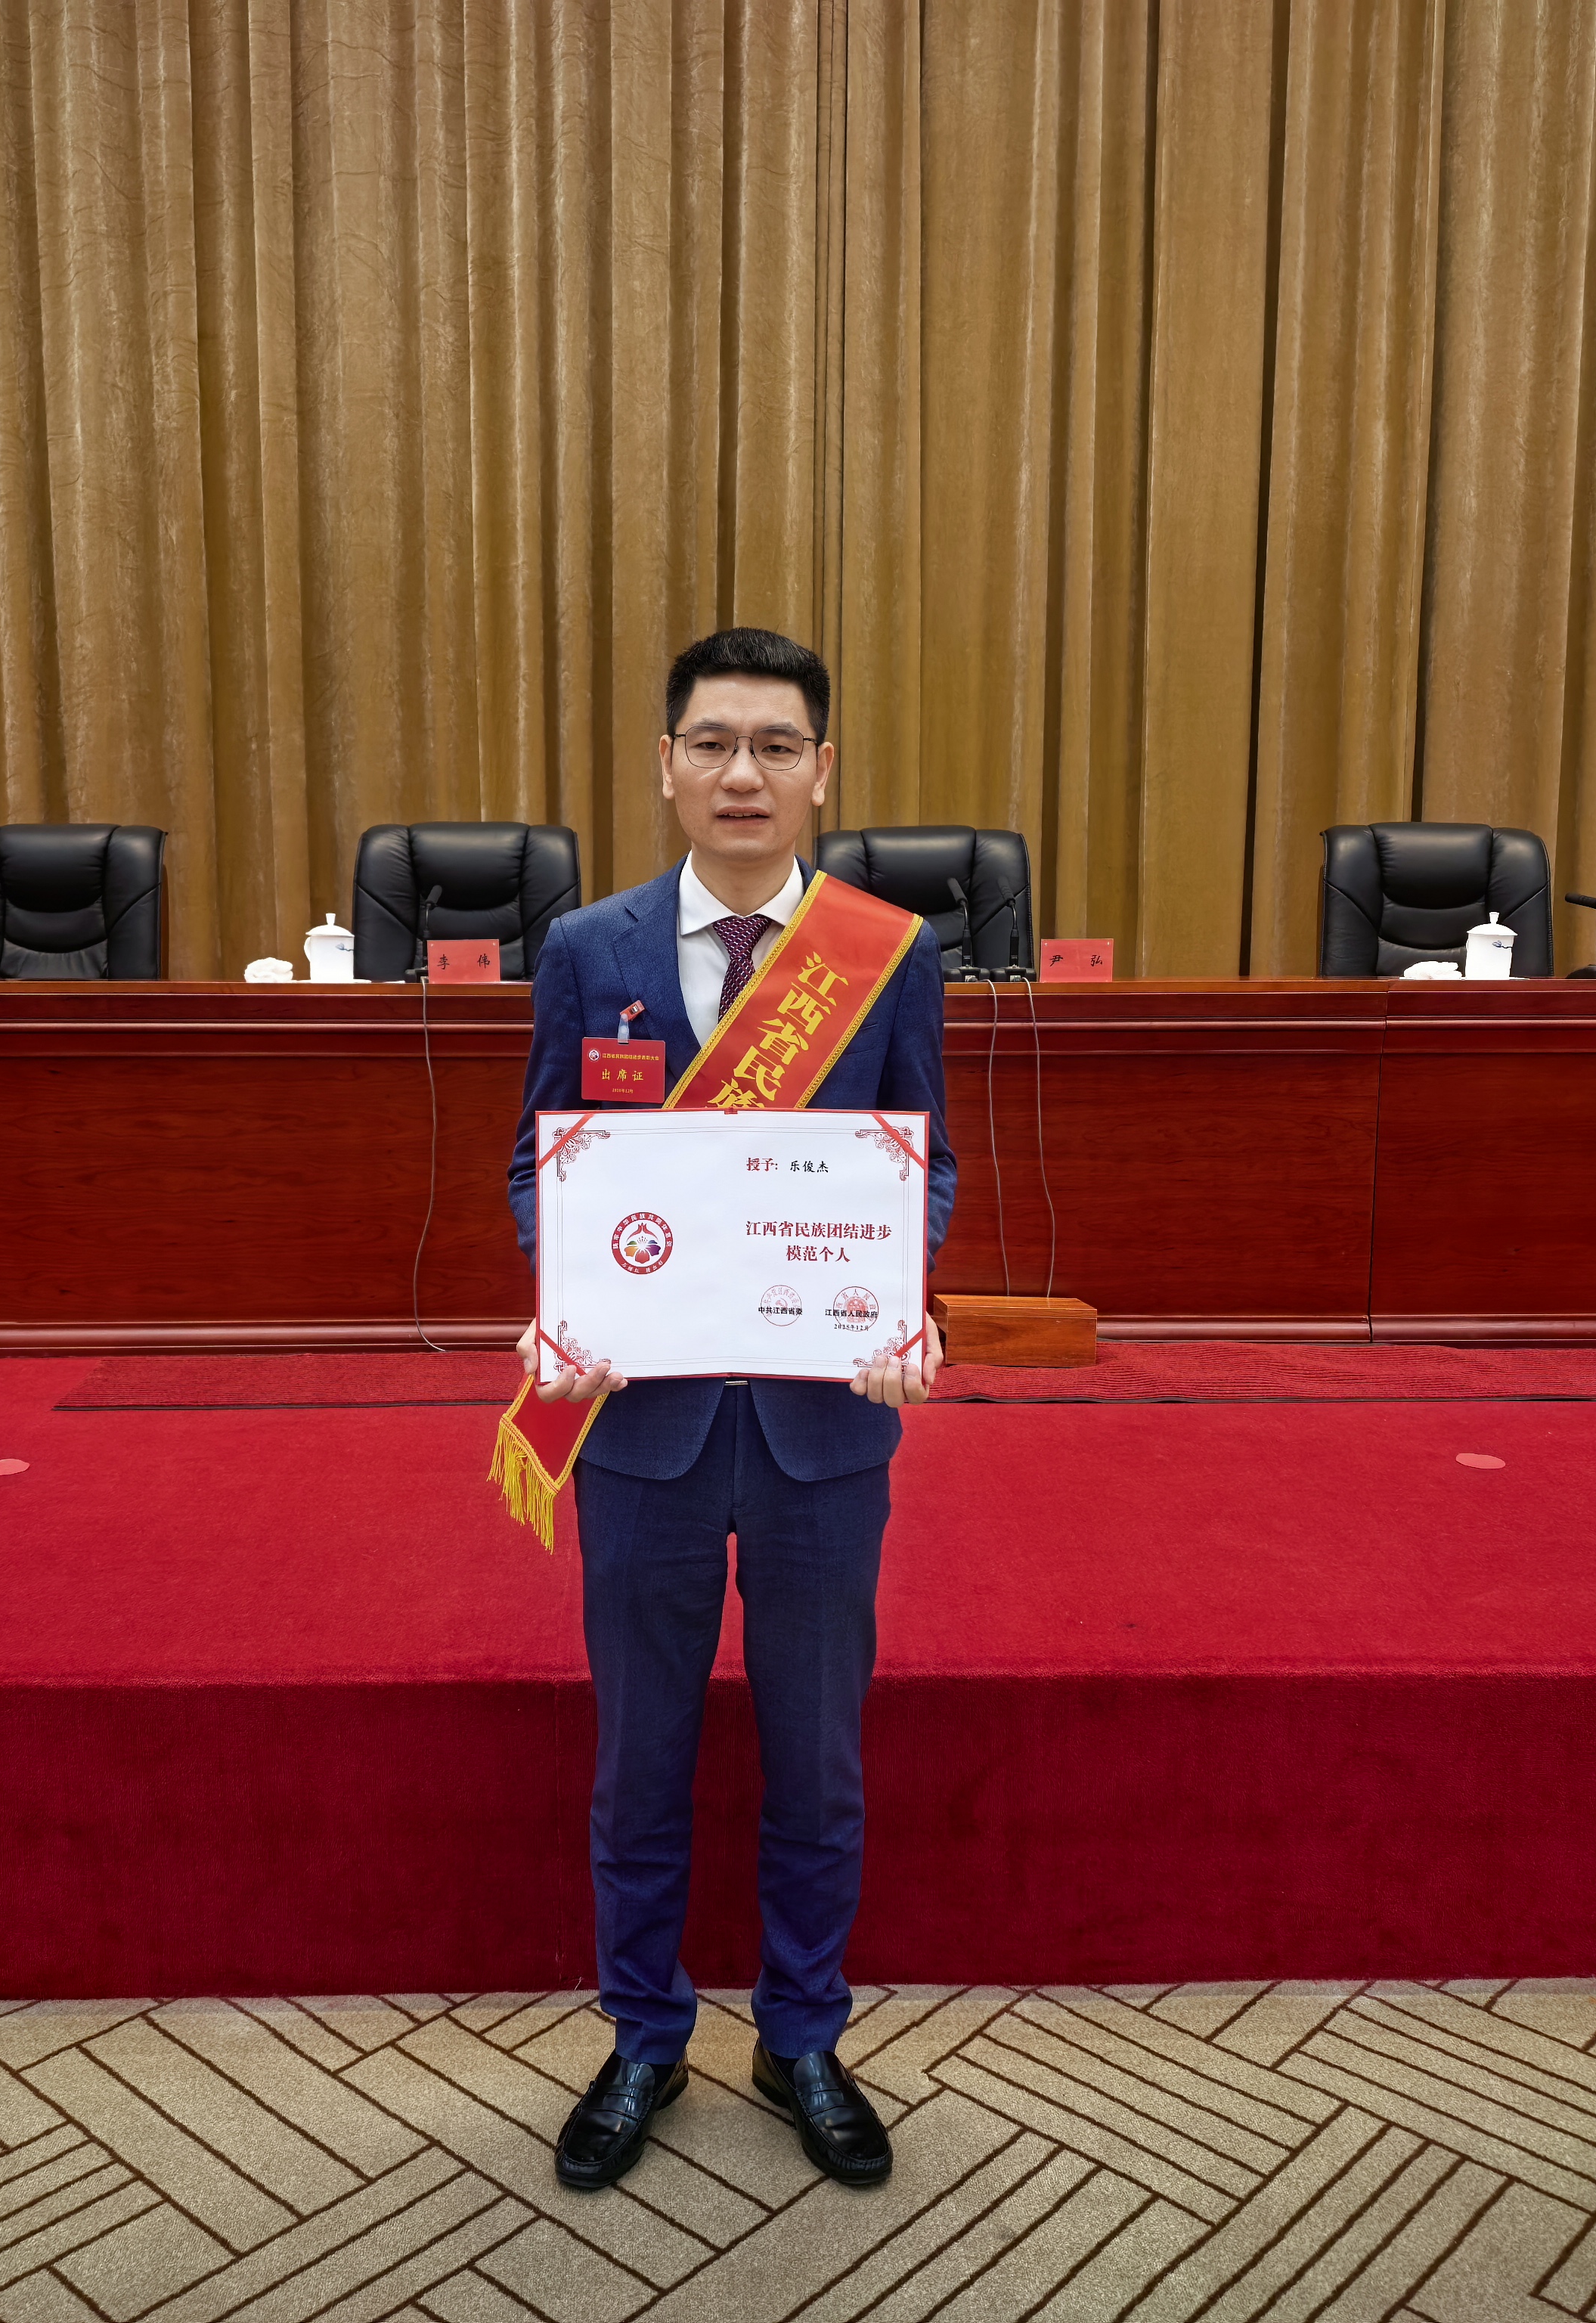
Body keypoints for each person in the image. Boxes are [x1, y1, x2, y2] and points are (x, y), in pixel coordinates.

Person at [506, 627, 956, 2191]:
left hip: (825, 1430)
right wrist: (564, 1289)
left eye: (774, 746)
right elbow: (538, 1162)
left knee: (815, 1761)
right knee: (640, 1759)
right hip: (644, 1429)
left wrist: (903, 1299)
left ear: (821, 770)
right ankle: (644, 2033)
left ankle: (799, 2034)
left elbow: (921, 1159)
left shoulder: (885, 953)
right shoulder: (590, 949)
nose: (741, 773)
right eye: (712, 743)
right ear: (666, 765)